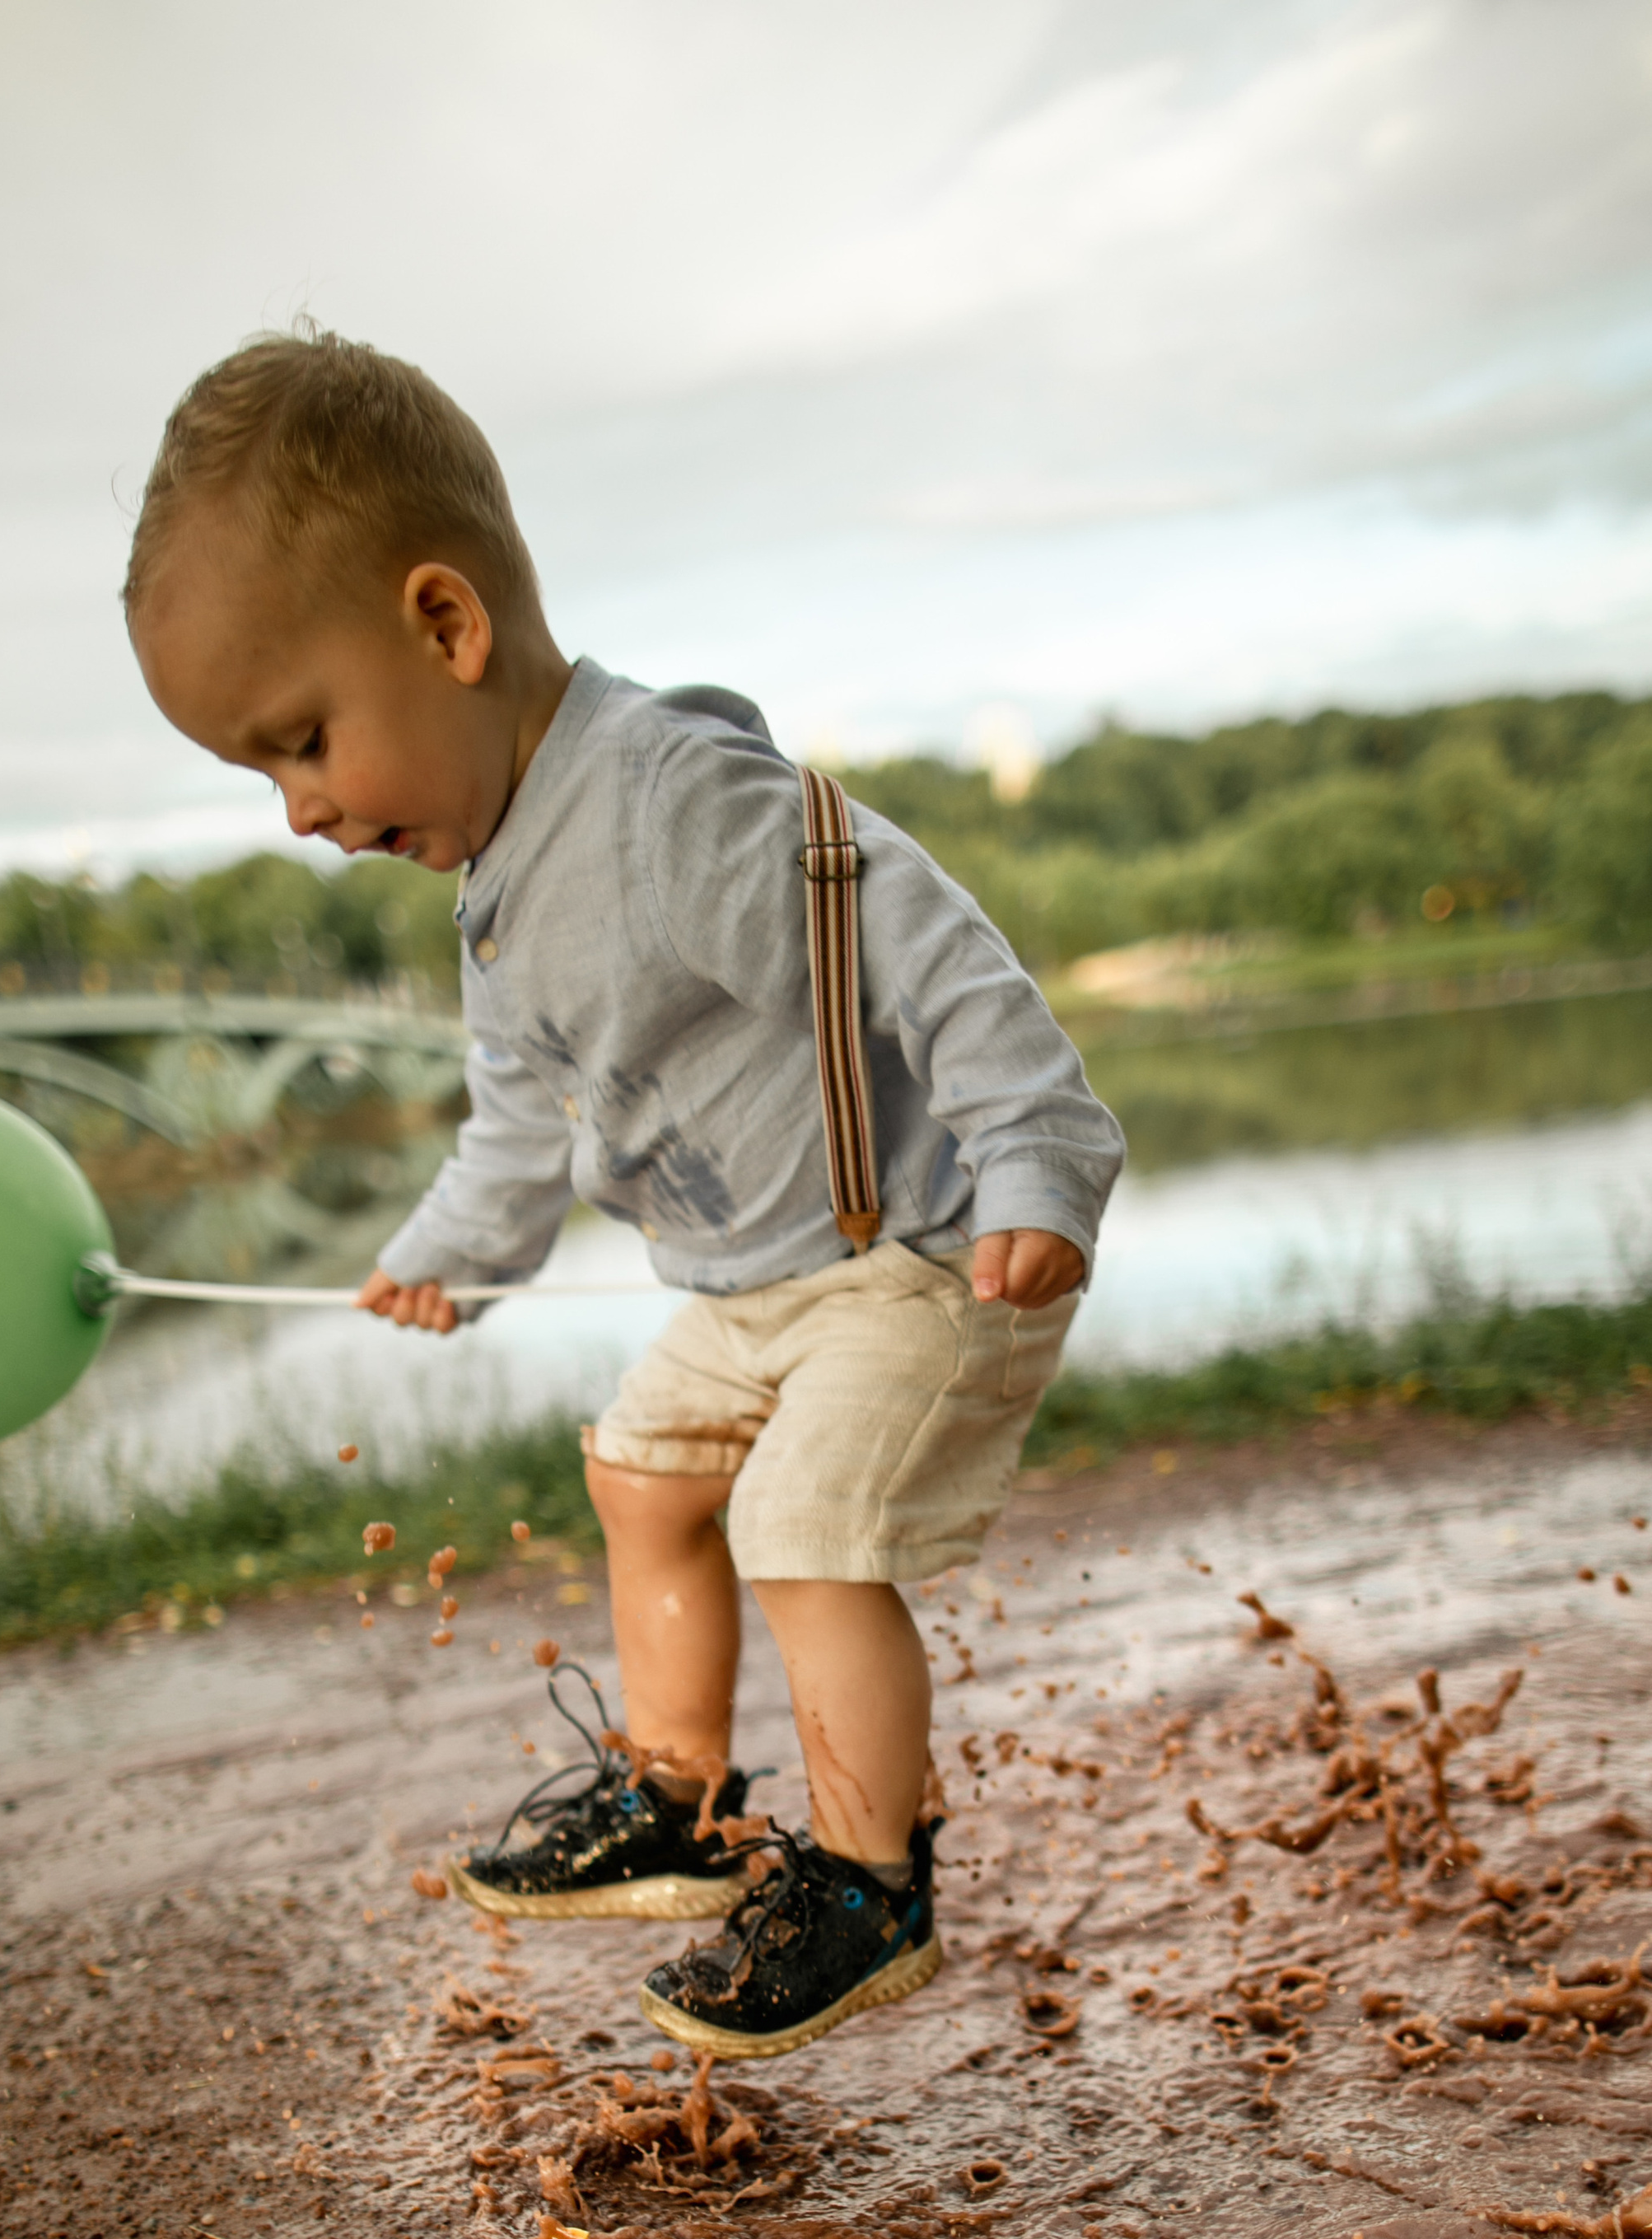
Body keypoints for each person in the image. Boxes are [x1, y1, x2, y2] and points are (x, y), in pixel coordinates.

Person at [125, 328, 1123, 2059]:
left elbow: (921, 939)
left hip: (915, 1262)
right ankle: (678, 1805)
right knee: (637, 1466)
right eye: (262, 774)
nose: (298, 811)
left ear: (445, 626)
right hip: (755, 1297)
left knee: (801, 1524)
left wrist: (1038, 1148)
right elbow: (519, 1116)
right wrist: (452, 1253)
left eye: (303, 742)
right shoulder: (498, 891)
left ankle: (871, 1884)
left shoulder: (664, 801)